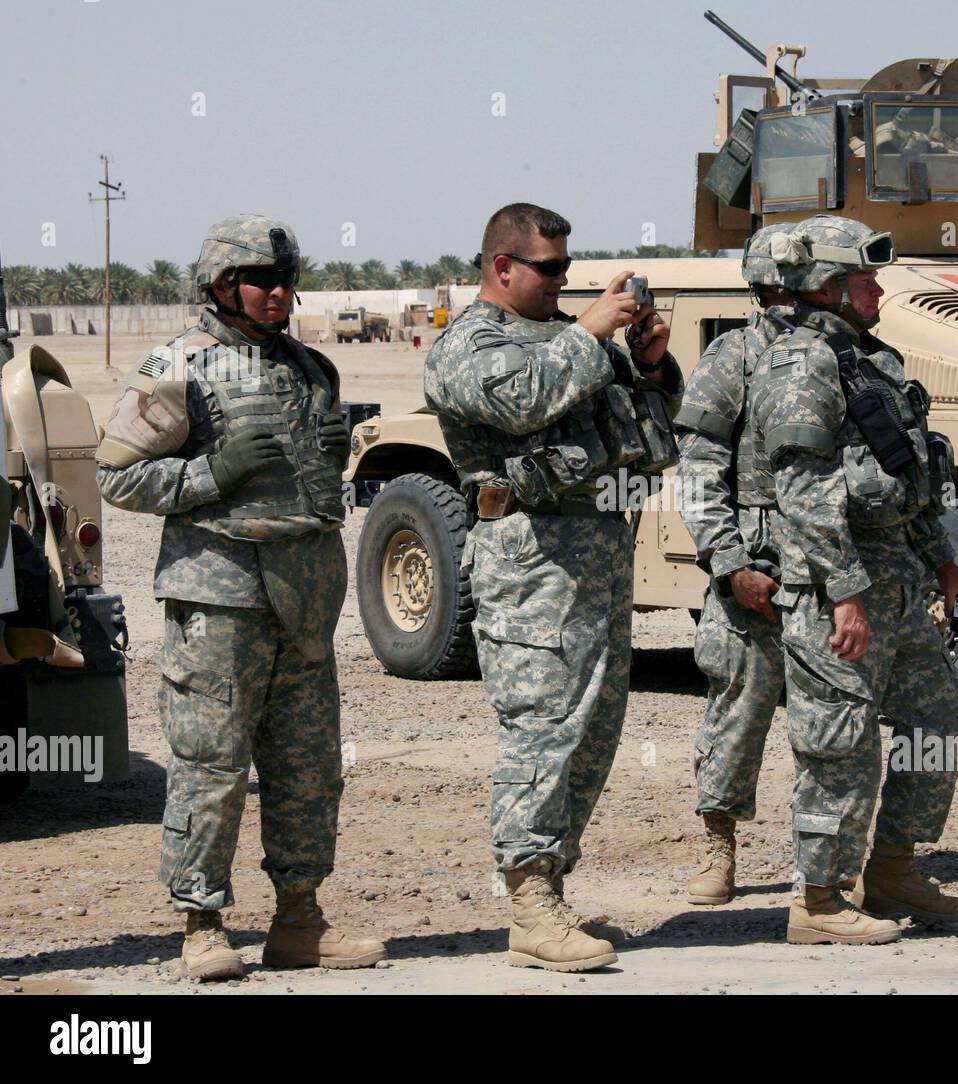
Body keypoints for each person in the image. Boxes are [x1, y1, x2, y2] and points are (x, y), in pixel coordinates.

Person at [96, 214, 386, 980]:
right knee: (211, 764)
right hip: (217, 598)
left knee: (308, 766)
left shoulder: (313, 369)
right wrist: (209, 475)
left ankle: (300, 919)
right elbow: (116, 474)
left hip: (305, 603)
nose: (278, 291)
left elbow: (320, 491)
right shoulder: (177, 367)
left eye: (286, 278)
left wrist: (332, 466)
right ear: (222, 287)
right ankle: (201, 924)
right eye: (261, 279)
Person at [425, 203, 682, 972]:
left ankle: (552, 890)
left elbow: (652, 432)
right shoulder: (469, 344)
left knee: (593, 734)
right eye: (550, 269)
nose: (564, 281)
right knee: (541, 730)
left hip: (600, 558)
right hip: (531, 564)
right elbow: (524, 400)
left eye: (570, 268)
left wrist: (652, 364)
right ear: (502, 267)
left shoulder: (572, 340)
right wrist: (594, 331)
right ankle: (529, 900)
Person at [749, 213, 958, 945]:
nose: (879, 287)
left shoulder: (866, 362)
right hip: (836, 590)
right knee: (841, 740)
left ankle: (891, 870)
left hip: (900, 582)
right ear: (827, 286)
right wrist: (845, 591)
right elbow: (804, 490)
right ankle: (817, 901)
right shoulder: (800, 364)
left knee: (938, 720)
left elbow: (908, 477)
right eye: (866, 276)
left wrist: (943, 561)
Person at [674, 225, 791, 905]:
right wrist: (729, 562)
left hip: (835, 569)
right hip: (756, 563)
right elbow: (698, 470)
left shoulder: (855, 357)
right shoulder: (734, 358)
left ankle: (831, 862)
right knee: (738, 711)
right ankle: (719, 847)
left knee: (835, 720)